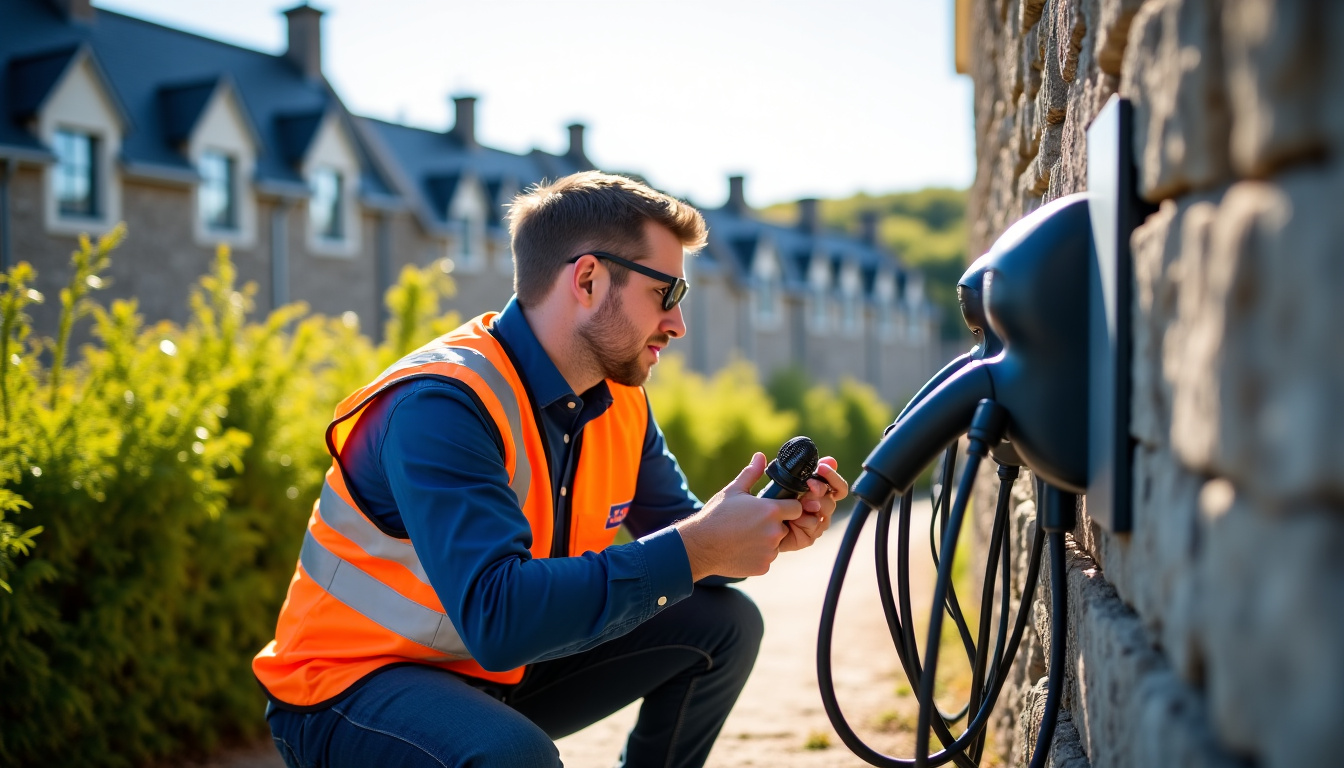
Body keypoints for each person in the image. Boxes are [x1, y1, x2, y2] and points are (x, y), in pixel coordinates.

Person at [254, 171, 849, 768]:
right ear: (588, 279)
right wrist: (699, 549)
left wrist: (761, 523)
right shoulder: (440, 404)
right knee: (513, 756)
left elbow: (690, 550)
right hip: (345, 689)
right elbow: (500, 617)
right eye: (666, 294)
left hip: (494, 670)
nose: (677, 323)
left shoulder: (620, 401)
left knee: (723, 624)